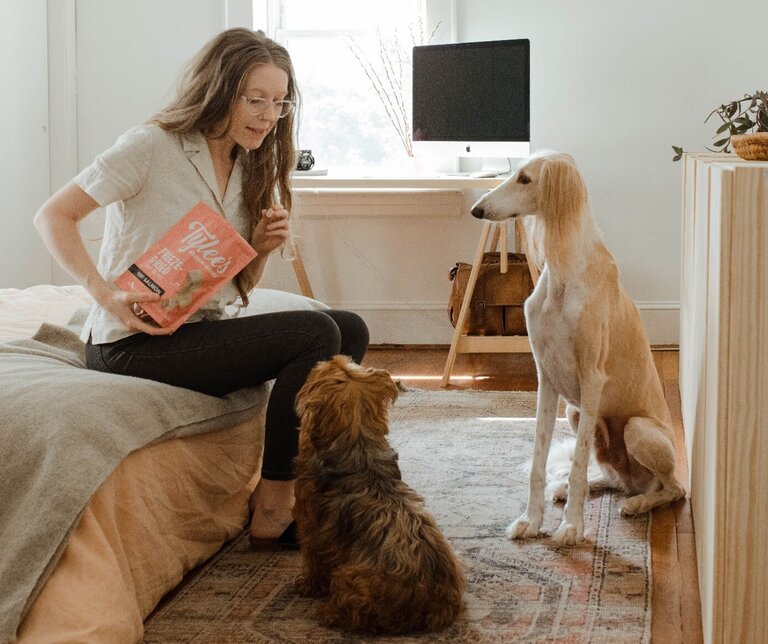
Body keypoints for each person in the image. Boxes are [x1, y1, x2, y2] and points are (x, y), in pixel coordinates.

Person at [33, 28, 369, 548]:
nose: (267, 115)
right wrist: (105, 295)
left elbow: (230, 287)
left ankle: (324, 486)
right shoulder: (151, 146)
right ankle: (274, 504)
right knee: (313, 332)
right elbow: (53, 215)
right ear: (219, 89)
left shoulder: (248, 164)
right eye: (255, 99)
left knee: (348, 329)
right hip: (131, 345)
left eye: (279, 103)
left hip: (195, 330)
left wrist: (256, 246)